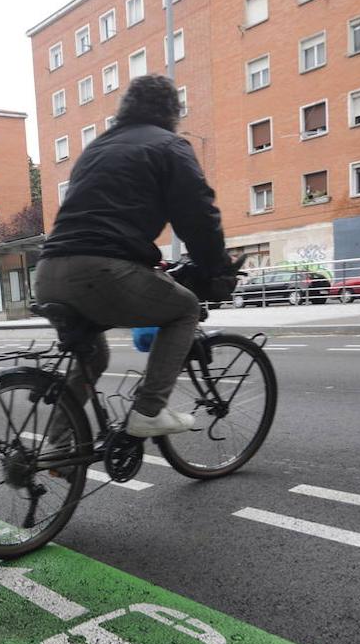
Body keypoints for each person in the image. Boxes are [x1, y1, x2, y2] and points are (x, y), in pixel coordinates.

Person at [35, 75, 233, 438]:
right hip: (100, 269)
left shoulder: (96, 148)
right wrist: (217, 269)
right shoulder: (170, 146)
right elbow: (197, 215)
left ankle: (56, 448)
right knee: (185, 309)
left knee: (93, 356)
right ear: (173, 112)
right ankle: (148, 410)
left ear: (125, 109)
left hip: (48, 273)